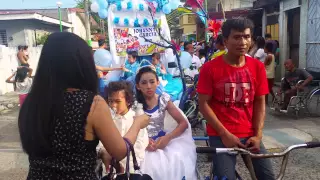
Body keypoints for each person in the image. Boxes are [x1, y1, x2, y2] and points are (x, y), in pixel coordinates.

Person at [18, 32, 150, 179]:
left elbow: (59, 149)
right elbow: (120, 151)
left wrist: (100, 153)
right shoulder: (90, 103)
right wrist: (138, 123)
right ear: (82, 64)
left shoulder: (31, 102)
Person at [197, 18, 275, 180]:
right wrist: (223, 134)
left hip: (250, 133)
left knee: (267, 176)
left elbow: (260, 102)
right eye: (237, 37)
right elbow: (203, 104)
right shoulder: (210, 68)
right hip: (220, 134)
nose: (242, 42)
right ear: (225, 41)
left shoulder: (257, 67)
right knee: (225, 177)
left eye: (246, 37)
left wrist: (258, 134)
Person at [135, 67, 197, 180]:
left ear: (158, 82)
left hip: (161, 142)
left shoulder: (163, 99)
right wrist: (143, 140)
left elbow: (183, 123)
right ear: (138, 86)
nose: (148, 86)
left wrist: (168, 137)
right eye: (144, 83)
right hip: (140, 145)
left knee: (172, 164)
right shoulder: (133, 104)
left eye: (152, 82)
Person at [99, 81, 149, 174]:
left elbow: (140, 146)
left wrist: (124, 164)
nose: (113, 105)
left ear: (128, 101)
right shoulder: (105, 119)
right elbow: (100, 145)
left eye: (118, 101)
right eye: (110, 101)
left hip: (130, 170)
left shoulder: (136, 119)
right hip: (109, 169)